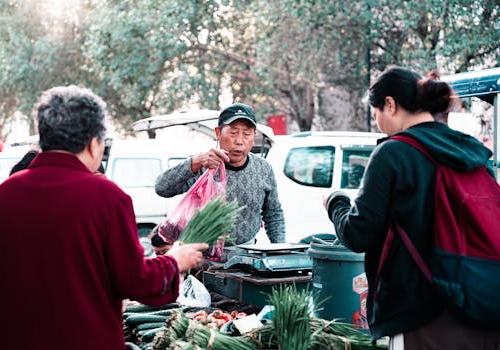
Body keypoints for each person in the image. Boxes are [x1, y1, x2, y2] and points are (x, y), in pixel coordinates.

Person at [0, 85, 207, 350]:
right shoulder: (107, 197)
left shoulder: (2, 197)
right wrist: (173, 261)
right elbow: (134, 281)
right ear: (93, 143)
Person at [324, 66, 500, 349]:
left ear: (390, 105)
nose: (379, 123)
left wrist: (336, 203)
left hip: (423, 315)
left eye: (376, 114)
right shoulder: (472, 152)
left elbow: (358, 233)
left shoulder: (394, 152)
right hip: (485, 302)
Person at [155, 103, 285, 246]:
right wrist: (195, 162)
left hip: (247, 254)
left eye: (247, 134)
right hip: (201, 257)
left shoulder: (263, 168)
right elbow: (162, 188)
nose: (239, 141)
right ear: (218, 133)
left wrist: (279, 249)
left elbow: (273, 213)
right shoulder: (202, 164)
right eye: (233, 133)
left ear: (253, 137)